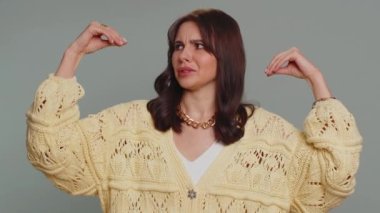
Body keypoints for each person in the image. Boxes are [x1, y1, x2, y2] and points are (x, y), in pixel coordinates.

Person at [26, 9, 362, 213]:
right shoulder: (126, 128)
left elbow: (333, 179)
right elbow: (51, 151)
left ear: (226, 55)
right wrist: (72, 56)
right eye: (178, 46)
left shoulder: (273, 140)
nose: (184, 55)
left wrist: (317, 83)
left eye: (200, 46)